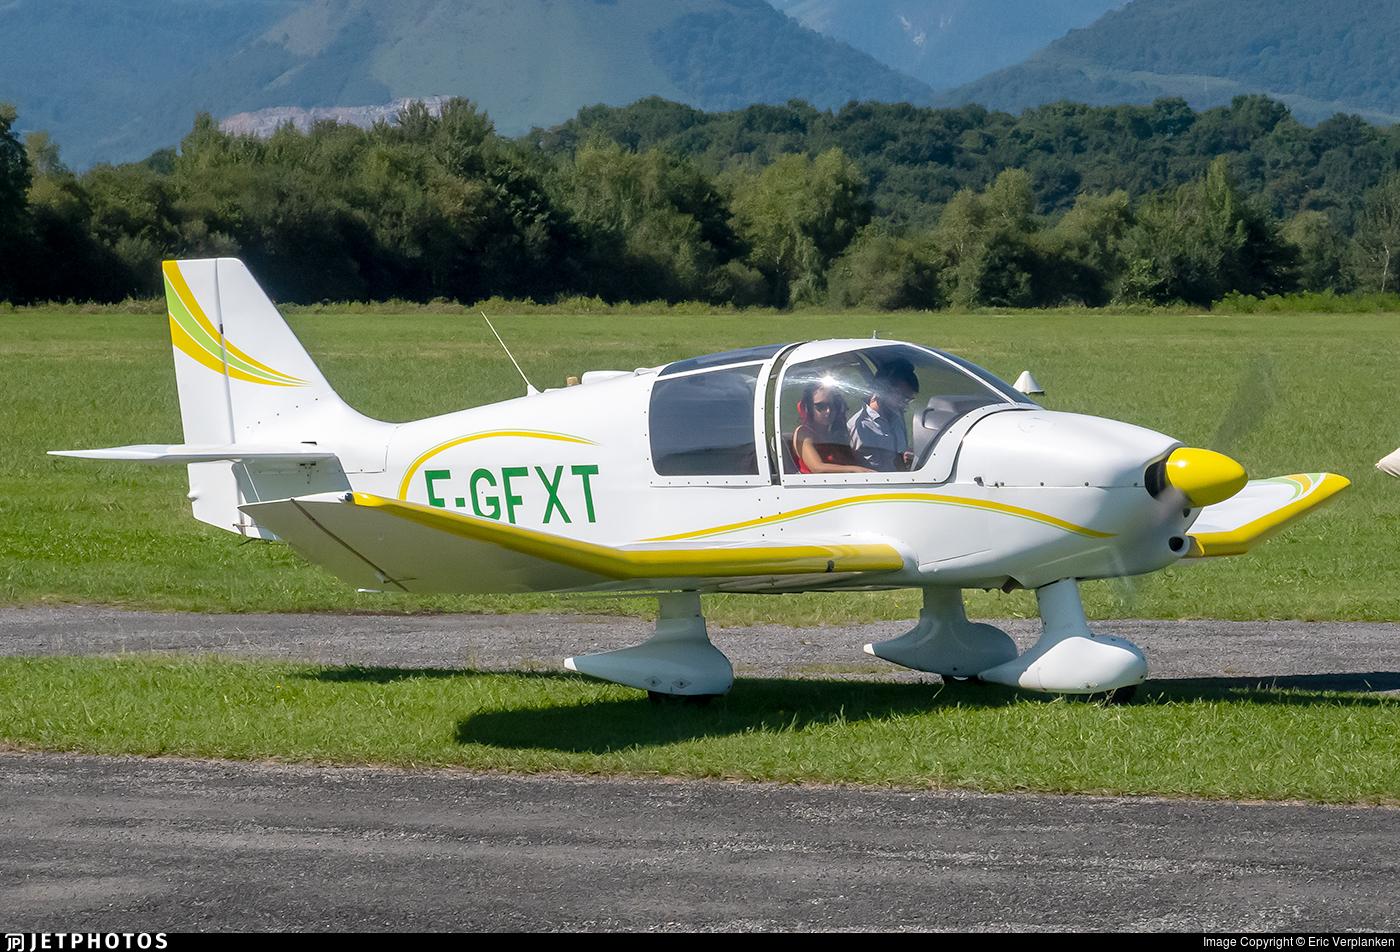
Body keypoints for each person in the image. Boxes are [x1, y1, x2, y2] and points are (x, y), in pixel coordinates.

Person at [848, 360, 918, 471]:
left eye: (908, 399)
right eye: (902, 396)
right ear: (883, 390)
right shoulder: (860, 426)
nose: (904, 403)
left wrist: (904, 458)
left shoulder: (897, 419)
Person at [792, 382, 872, 474]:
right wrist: (856, 469)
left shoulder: (833, 435)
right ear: (809, 408)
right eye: (821, 406)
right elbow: (817, 468)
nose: (828, 411)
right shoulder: (803, 433)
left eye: (832, 405)